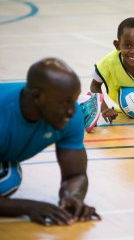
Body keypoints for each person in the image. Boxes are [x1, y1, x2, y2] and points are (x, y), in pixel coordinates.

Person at [0, 57, 101, 225]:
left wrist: (72, 196)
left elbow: (75, 175)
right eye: (64, 102)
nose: (72, 111)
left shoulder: (71, 117)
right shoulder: (4, 116)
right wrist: (24, 207)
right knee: (8, 179)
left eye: (74, 101)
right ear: (37, 96)